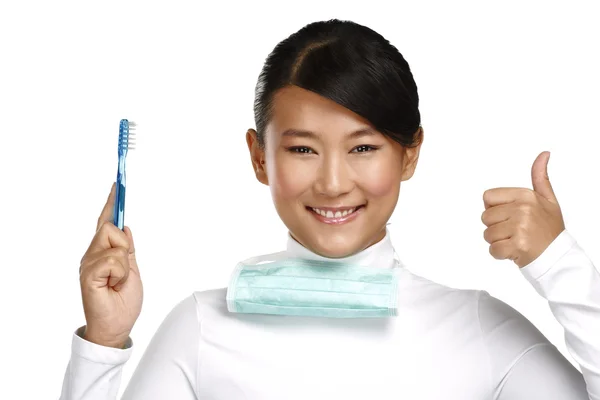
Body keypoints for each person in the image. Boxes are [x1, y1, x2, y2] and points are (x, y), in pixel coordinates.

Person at [59, 19, 600, 399]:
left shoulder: (479, 331)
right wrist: (104, 342)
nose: (334, 182)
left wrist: (559, 264)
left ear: (410, 153)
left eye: (363, 147)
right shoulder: (201, 328)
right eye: (302, 149)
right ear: (259, 156)